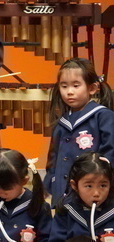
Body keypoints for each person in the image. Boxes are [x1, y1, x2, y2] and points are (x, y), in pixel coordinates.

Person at [44, 58, 114, 204]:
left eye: (76, 86)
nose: (69, 92)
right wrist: (50, 183)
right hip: (63, 195)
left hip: (93, 194)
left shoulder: (103, 116)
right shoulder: (62, 122)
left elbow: (110, 152)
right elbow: (53, 159)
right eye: (64, 86)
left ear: (92, 88)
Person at [0, 148, 52, 242]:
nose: (1, 192)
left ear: (24, 181)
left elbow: (46, 238)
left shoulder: (38, 206)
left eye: (7, 188)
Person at [50, 152, 114, 240]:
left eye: (103, 186)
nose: (96, 193)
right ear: (74, 185)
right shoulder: (65, 211)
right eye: (89, 186)